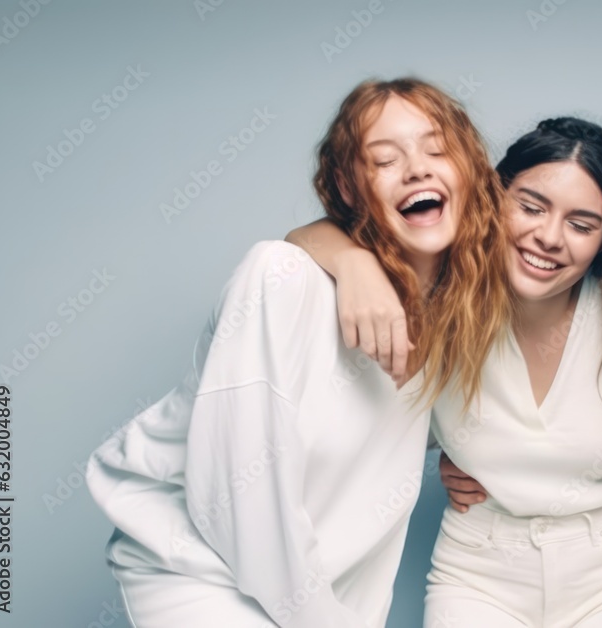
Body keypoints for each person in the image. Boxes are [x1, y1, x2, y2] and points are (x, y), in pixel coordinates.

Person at [85, 77, 514, 627]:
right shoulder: (281, 279)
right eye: (384, 160)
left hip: (319, 592)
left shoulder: (458, 325)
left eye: (437, 150)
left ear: (470, 170)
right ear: (348, 185)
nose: (417, 169)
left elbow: (399, 431)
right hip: (198, 567)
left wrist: (471, 459)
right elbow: (238, 499)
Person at [286, 117, 602, 626]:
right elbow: (302, 239)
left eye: (582, 225)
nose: (549, 237)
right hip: (480, 572)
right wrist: (356, 265)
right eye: (531, 207)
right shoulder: (439, 292)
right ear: (493, 198)